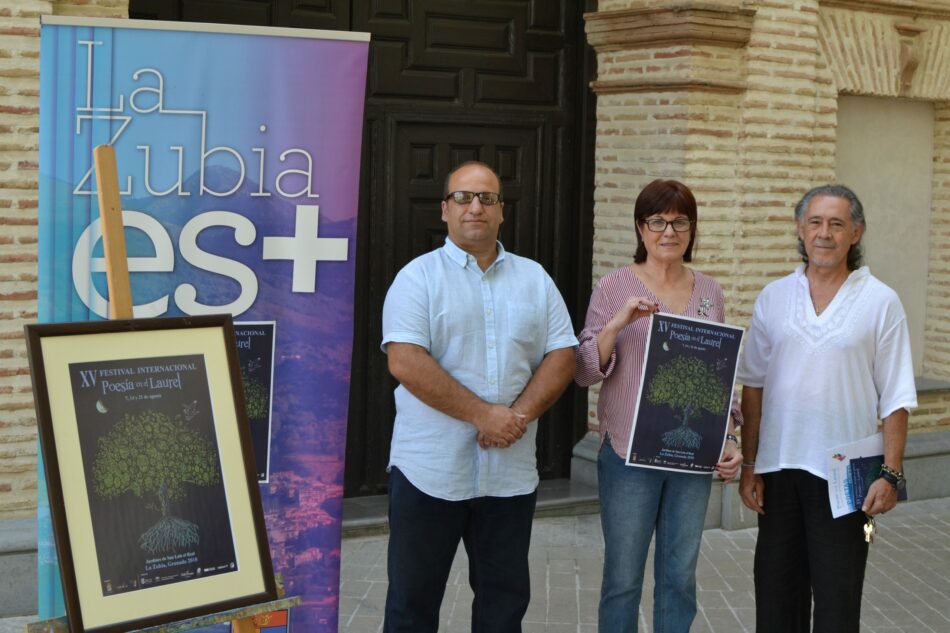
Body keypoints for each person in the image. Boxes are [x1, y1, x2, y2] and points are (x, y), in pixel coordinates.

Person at [380, 161, 577, 633]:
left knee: (503, 609)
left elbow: (563, 355)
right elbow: (405, 361)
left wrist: (516, 417)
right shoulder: (417, 278)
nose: (476, 207)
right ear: (445, 209)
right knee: (411, 607)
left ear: (501, 211)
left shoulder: (535, 279)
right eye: (464, 197)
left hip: (507, 476)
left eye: (487, 198)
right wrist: (483, 415)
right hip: (429, 471)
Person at [737, 184, 917, 633]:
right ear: (800, 229)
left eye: (837, 224)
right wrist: (750, 466)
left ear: (855, 233)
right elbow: (753, 387)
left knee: (838, 603)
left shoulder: (880, 301)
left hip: (847, 476)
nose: (824, 233)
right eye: (815, 222)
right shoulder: (773, 297)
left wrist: (890, 473)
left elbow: (896, 396)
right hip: (779, 470)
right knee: (777, 601)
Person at [575, 179, 742, 633]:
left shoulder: (710, 291)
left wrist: (728, 438)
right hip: (629, 453)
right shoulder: (614, 286)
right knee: (623, 578)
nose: (668, 231)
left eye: (679, 221)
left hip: (690, 458)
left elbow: (719, 375)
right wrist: (619, 321)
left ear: (691, 229)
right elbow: (586, 368)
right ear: (640, 228)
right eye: (657, 221)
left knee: (679, 576)